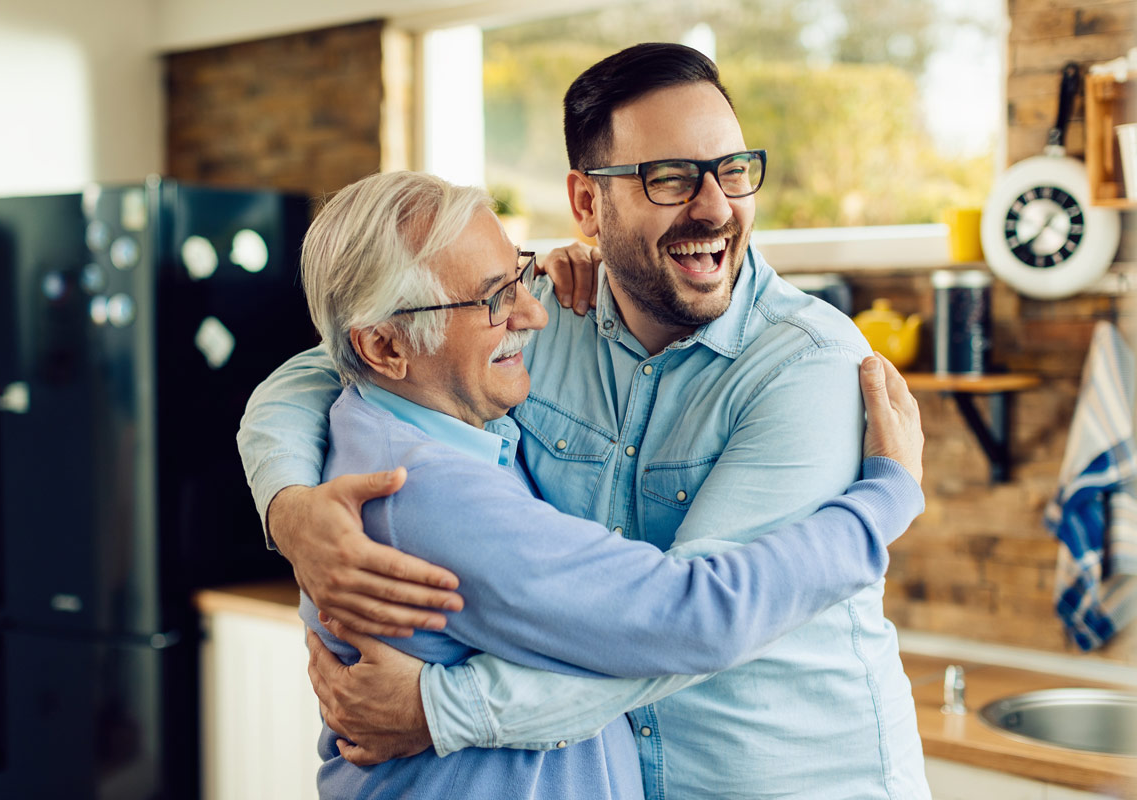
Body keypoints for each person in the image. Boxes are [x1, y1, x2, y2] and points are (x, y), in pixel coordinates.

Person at [239, 43, 931, 798]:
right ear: (586, 203)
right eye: (668, 178)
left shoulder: (809, 367)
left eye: (733, 170)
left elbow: (690, 627)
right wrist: (290, 507)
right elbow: (330, 360)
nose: (715, 207)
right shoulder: (532, 316)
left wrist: (443, 708)